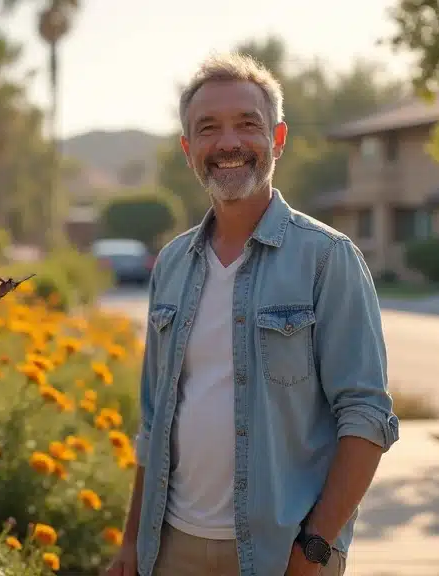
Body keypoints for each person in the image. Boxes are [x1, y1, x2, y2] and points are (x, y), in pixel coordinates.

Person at [103, 52, 400, 576]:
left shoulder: (328, 259)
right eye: (208, 128)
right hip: (169, 546)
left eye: (247, 124)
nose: (228, 143)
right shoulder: (171, 264)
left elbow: (367, 419)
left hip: (280, 553)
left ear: (278, 139)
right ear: (188, 148)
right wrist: (132, 542)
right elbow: (153, 420)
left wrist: (313, 550)